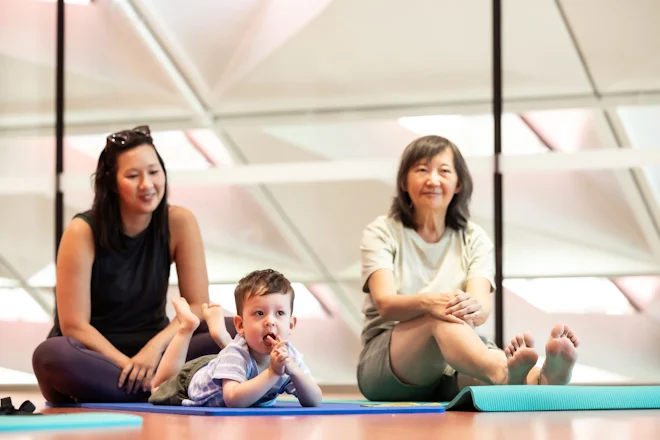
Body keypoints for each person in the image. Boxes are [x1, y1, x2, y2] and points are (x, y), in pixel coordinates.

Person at [357, 135, 580, 402]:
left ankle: (546, 377)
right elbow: (385, 303)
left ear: (458, 183)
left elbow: (481, 307)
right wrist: (433, 303)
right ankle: (503, 374)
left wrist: (469, 308)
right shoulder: (382, 232)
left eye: (444, 171)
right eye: (421, 170)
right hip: (387, 364)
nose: (433, 180)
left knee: (480, 352)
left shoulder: (474, 238)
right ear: (404, 182)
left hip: (452, 357)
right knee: (441, 322)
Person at [32, 125, 236, 404]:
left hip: (158, 352)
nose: (147, 184)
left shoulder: (179, 222)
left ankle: (143, 386)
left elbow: (197, 306)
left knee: (233, 330)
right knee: (51, 356)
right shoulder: (82, 231)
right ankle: (163, 386)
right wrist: (129, 365)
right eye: (132, 175)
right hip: (97, 355)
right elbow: (75, 326)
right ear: (112, 182)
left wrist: (153, 351)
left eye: (153, 172)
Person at [148, 269, 322, 408]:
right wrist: (273, 372)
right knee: (158, 388)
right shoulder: (237, 352)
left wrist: (294, 372)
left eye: (280, 313)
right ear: (240, 325)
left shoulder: (289, 356)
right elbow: (233, 399)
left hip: (222, 365)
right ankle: (186, 327)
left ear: (291, 324)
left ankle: (218, 332)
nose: (270, 321)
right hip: (190, 382)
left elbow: (314, 400)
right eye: (259, 313)